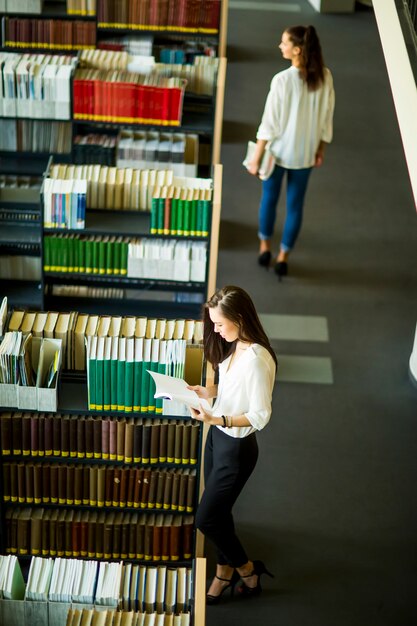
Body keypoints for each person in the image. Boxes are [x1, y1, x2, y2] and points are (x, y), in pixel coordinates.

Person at [188, 285, 277, 604]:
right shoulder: (232, 344)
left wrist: (217, 420)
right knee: (220, 512)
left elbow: (259, 416)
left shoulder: (257, 359)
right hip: (217, 441)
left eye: (220, 324)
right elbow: (229, 389)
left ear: (239, 319)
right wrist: (207, 393)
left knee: (205, 518)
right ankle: (223, 572)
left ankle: (249, 569)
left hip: (237, 450)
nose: (215, 329)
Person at [247, 25, 335, 279]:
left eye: (284, 43)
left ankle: (265, 247)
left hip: (277, 155)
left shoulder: (282, 80)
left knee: (269, 201)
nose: (280, 46)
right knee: (296, 207)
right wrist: (320, 148)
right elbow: (326, 118)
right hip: (305, 155)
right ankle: (283, 257)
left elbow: (269, 124)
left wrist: (255, 159)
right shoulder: (325, 77)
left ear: (297, 50)